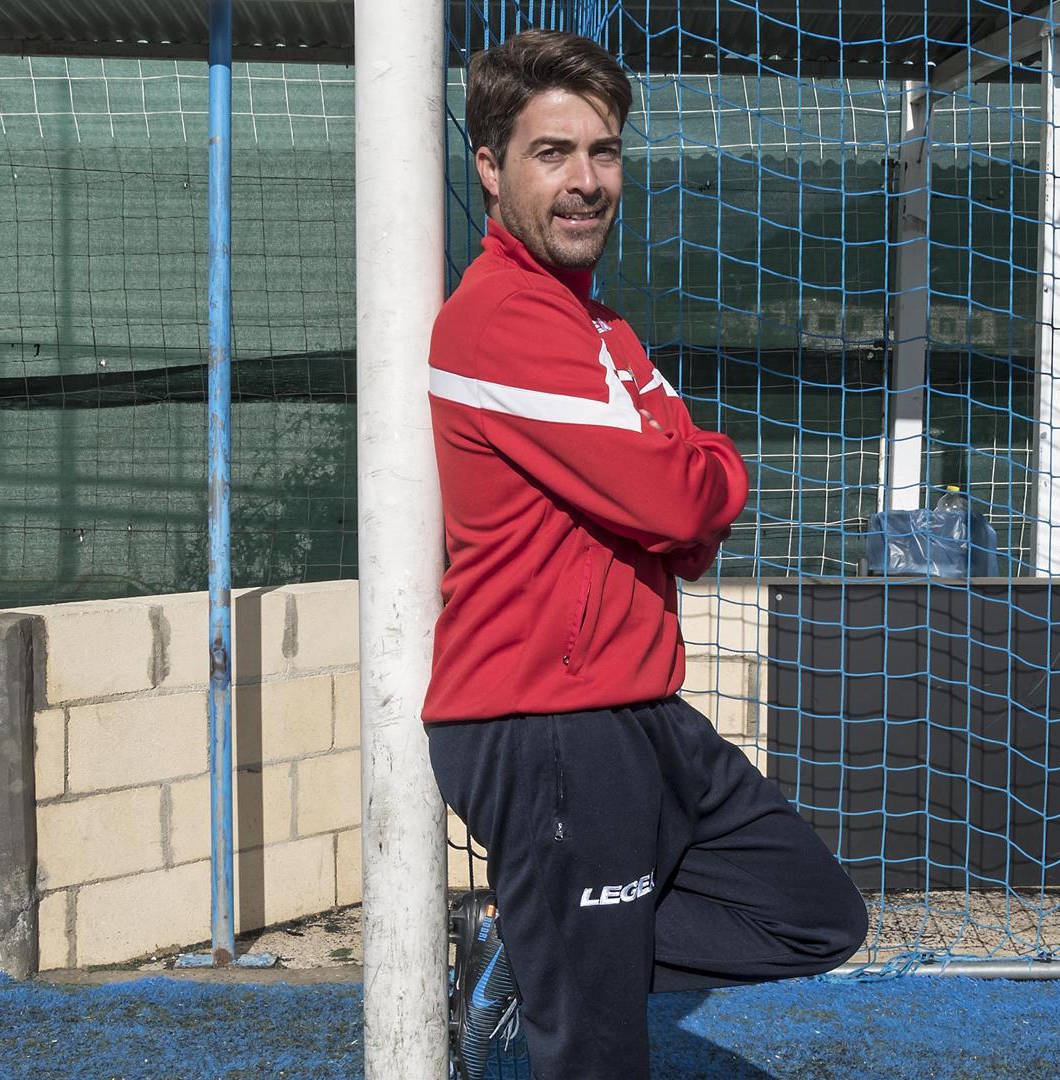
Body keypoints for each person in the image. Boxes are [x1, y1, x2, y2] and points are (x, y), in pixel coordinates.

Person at [421, 27, 869, 1080]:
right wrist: (689, 481)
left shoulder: (604, 332)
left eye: (604, 152)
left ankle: (535, 944)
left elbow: (705, 497)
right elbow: (683, 492)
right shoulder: (498, 322)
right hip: (546, 723)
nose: (586, 182)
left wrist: (692, 484)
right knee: (598, 1056)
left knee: (814, 917)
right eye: (552, 153)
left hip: (637, 708)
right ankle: (551, 948)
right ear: (490, 167)